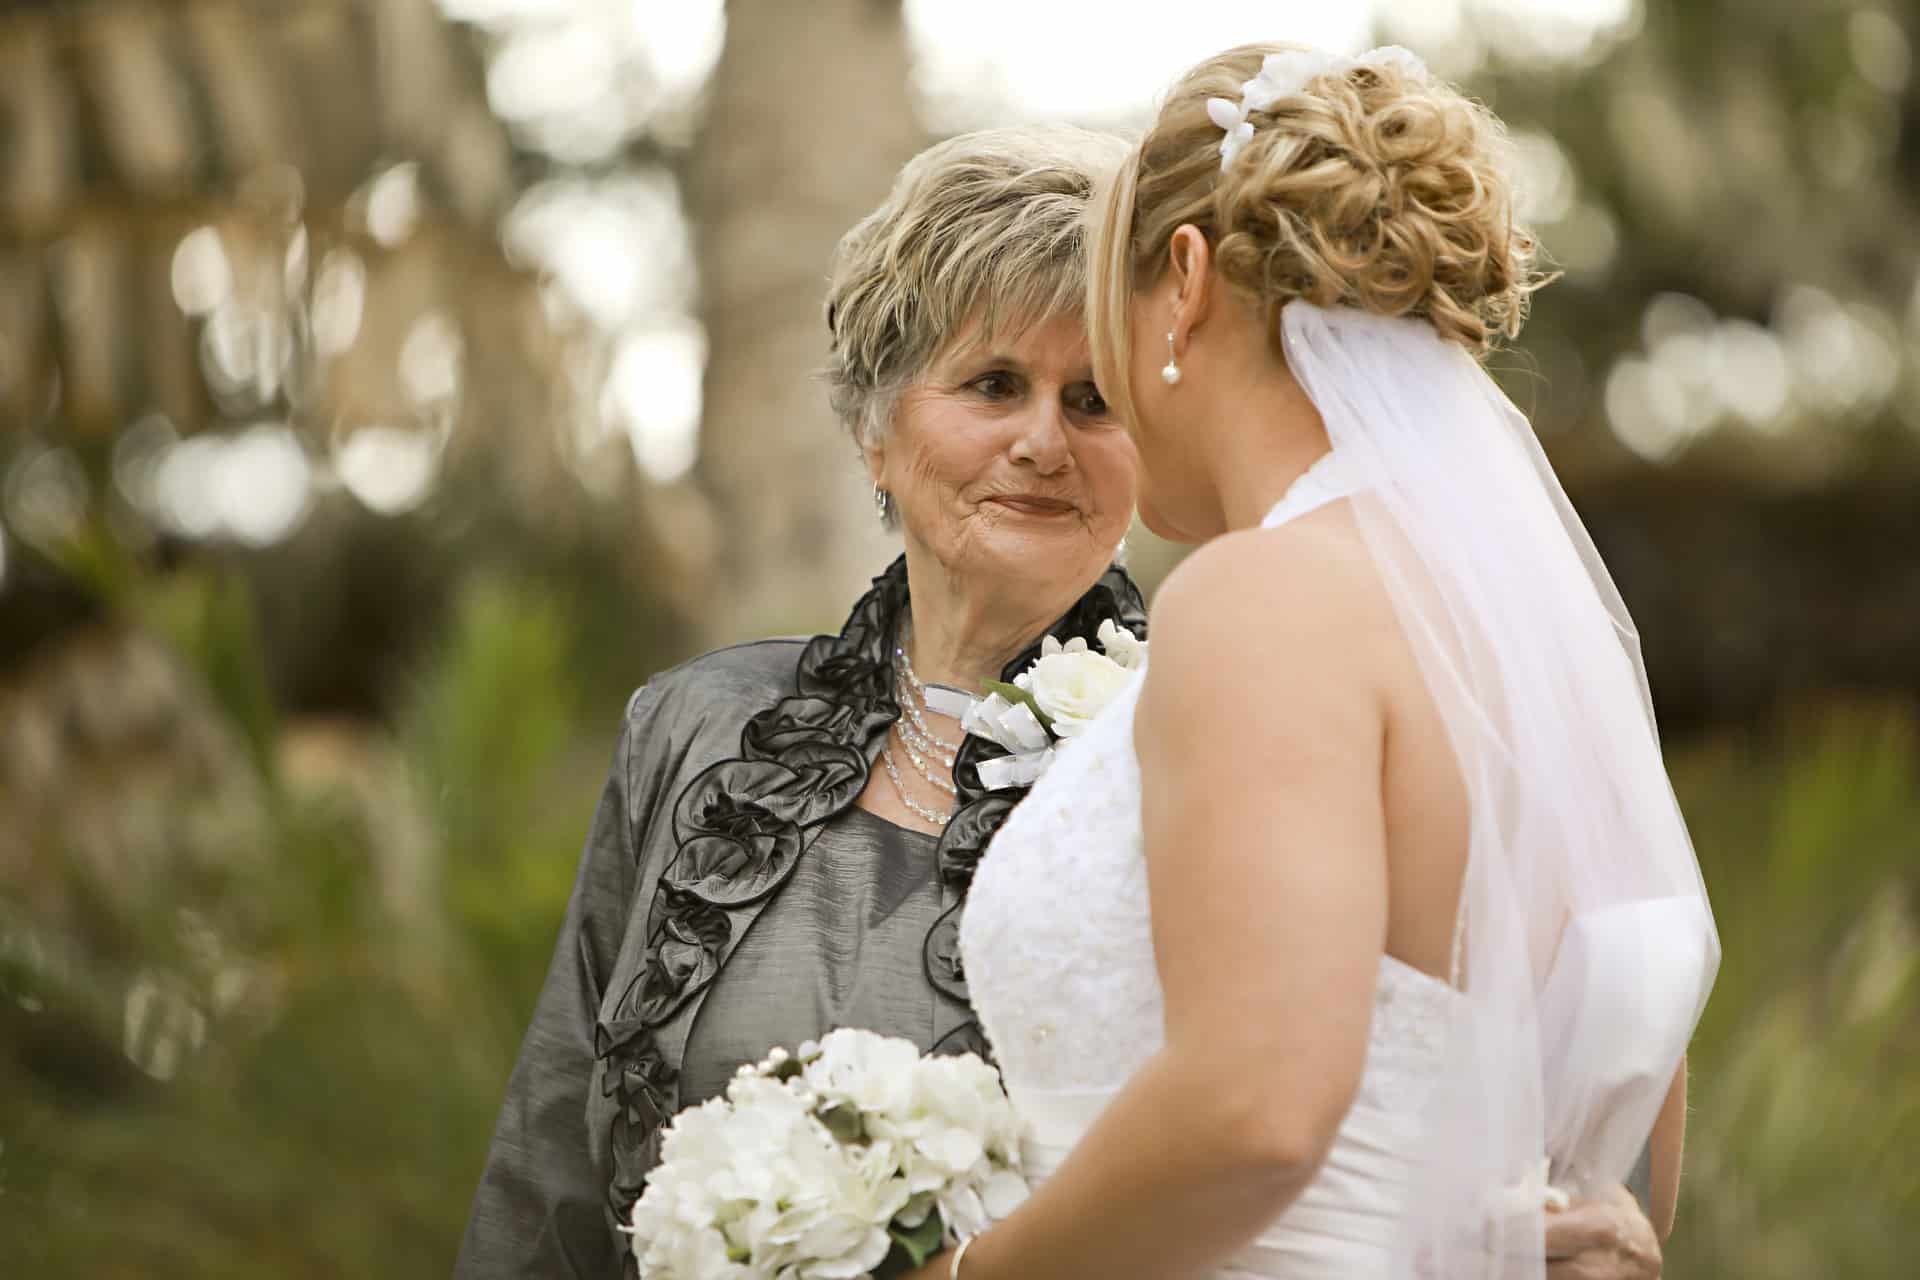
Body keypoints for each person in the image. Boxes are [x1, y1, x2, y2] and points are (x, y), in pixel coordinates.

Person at [954, 41, 1718, 1280]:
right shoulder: (1513, 635)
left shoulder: (1264, 598)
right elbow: (1625, 1176)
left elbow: (1253, 1110)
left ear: (1186, 281)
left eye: (1109, 317)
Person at [453, 124, 1144, 1278]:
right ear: (877, 433)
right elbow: (549, 1163)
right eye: (993, 384)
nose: (1041, 439)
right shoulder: (697, 728)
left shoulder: (1197, 755)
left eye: (1093, 400)